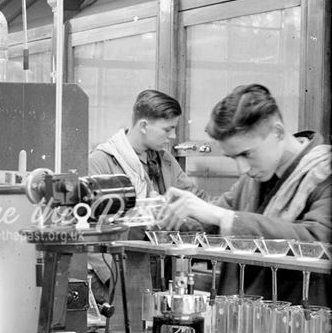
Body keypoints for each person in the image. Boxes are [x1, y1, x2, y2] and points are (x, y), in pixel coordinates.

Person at [160, 84, 331, 303]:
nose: (242, 168)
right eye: (233, 158)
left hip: (302, 321)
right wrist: (169, 215)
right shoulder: (252, 178)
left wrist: (223, 217)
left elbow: (318, 240)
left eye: (247, 154)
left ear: (277, 132)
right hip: (246, 319)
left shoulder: (325, 173)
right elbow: (212, 223)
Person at [87, 90, 205, 306]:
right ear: (143, 126)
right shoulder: (101, 161)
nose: (173, 137)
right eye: (168, 129)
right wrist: (112, 278)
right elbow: (88, 227)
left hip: (158, 270)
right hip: (116, 273)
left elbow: (193, 199)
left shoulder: (164, 160)